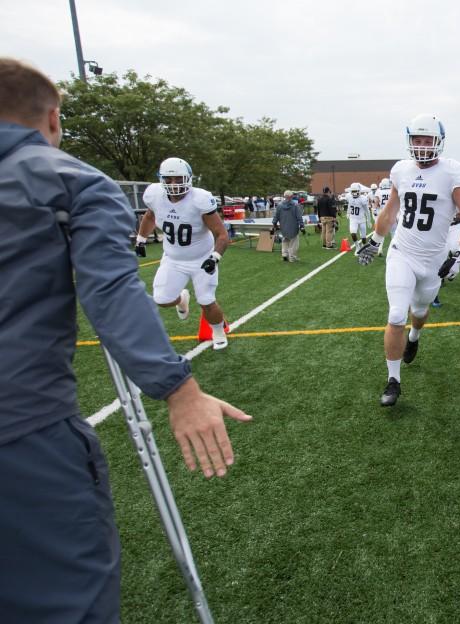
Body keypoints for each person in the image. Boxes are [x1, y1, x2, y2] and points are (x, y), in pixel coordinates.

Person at [0, 57, 250, 623]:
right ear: (54, 119)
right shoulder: (67, 179)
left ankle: (216, 326)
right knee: (63, 601)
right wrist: (178, 390)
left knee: (201, 298)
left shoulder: (198, 198)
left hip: (197, 257)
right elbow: (110, 294)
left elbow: (219, 232)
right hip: (21, 428)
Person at [356, 113, 460, 407]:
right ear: (409, 141)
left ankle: (414, 335)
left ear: (438, 142)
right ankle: (393, 380)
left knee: (420, 311)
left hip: (433, 259)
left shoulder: (452, 172)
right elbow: (390, 211)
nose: (422, 146)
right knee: (396, 313)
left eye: (427, 140)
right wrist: (375, 239)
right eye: (417, 140)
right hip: (403, 253)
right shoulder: (401, 170)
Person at [136, 157, 231, 350]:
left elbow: (221, 234)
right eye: (169, 180)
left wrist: (215, 257)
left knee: (206, 299)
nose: (174, 184)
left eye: (178, 179)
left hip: (201, 258)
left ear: (188, 178)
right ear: (161, 180)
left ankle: (218, 332)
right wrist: (140, 239)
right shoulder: (154, 195)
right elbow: (150, 216)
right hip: (173, 259)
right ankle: (182, 299)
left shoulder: (200, 199)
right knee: (161, 299)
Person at [272, 190, 304, 262]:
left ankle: (285, 254)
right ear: (291, 196)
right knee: (294, 242)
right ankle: (292, 257)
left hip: (283, 226)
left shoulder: (279, 205)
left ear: (284, 196)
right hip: (293, 227)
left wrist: (274, 224)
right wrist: (302, 225)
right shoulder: (295, 205)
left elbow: (276, 216)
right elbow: (299, 217)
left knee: (285, 241)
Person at [346, 182, 371, 248]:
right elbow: (349, 205)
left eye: (355, 191)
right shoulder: (349, 197)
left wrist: (369, 220)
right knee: (353, 233)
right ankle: (357, 247)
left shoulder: (363, 198)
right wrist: (348, 212)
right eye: (353, 191)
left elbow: (367, 210)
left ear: (359, 191)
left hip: (362, 219)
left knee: (363, 237)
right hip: (353, 219)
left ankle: (363, 246)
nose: (354, 193)